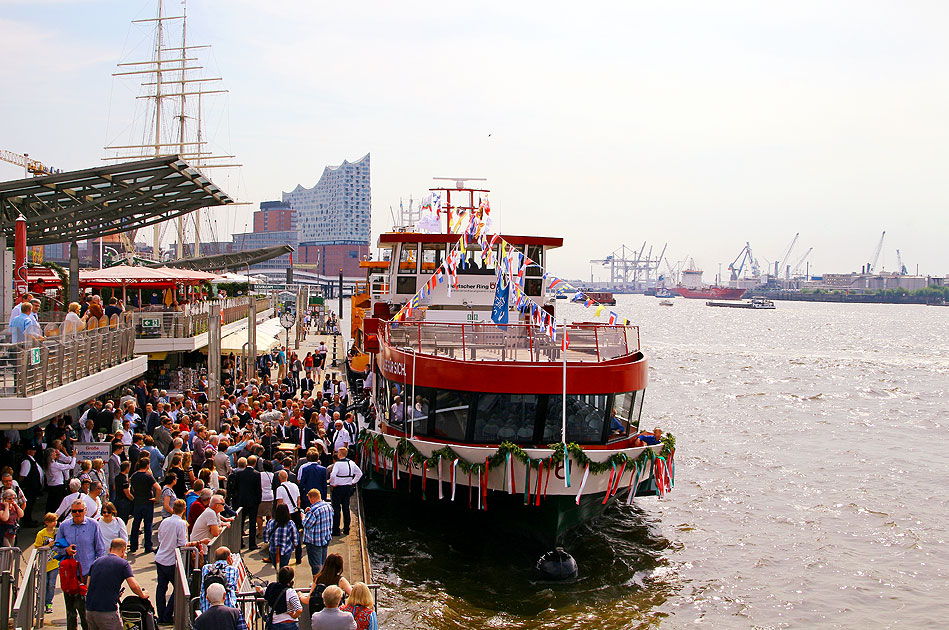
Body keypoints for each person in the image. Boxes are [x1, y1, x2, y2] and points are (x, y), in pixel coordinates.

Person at [54, 499, 108, 630]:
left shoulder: (93, 525)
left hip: (86, 573)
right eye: (74, 511)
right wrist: (65, 550)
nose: (77, 513)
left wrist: (96, 570)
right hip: (69, 573)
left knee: (85, 609)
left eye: (80, 511)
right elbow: (56, 547)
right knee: (70, 610)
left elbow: (100, 549)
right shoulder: (64, 526)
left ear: (85, 511)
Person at [155, 499, 208, 624]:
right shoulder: (181, 524)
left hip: (160, 558)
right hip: (171, 560)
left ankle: (162, 615)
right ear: (184, 509)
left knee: (161, 588)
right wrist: (199, 542)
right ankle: (167, 615)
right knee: (180, 588)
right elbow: (183, 544)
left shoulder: (165, 521)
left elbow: (160, 538)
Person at [85, 538, 149, 630]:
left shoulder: (96, 562)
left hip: (90, 610)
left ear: (110, 549)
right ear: (123, 550)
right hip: (107, 611)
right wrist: (143, 595)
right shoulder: (123, 564)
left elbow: (88, 585)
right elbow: (134, 586)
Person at [129, 457, 161, 554]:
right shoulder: (148, 476)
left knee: (136, 523)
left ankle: (133, 545)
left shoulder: (134, 476)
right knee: (148, 524)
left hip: (138, 501)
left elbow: (132, 488)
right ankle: (148, 546)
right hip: (148, 502)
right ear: (147, 465)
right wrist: (156, 498)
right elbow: (158, 488)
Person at [328, 447, 362, 536]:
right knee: (346, 507)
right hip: (347, 487)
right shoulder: (351, 463)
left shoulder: (337, 464)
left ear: (339, 454)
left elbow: (333, 475)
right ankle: (346, 529)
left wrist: (332, 483)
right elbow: (359, 473)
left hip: (338, 488)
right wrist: (352, 482)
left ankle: (336, 529)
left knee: (336, 508)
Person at [301, 489, 333, 575]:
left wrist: (303, 516)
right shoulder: (328, 507)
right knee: (323, 563)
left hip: (314, 542)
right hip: (325, 538)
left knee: (316, 565)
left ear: (312, 498)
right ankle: (323, 578)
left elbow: (306, 524)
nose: (309, 501)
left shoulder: (314, 511)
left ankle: (317, 580)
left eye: (310, 499)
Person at [198, 546, 241, 611]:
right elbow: (233, 587)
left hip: (207, 610)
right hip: (228, 610)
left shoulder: (206, 568)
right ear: (229, 558)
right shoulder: (233, 569)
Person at [35, 512, 60, 614]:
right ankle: (40, 603)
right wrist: (48, 546)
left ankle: (48, 603)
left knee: (51, 585)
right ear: (46, 522)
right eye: (52, 521)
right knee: (43, 584)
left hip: (54, 563)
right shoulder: (41, 534)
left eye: (55, 521)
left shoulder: (58, 532)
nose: (55, 523)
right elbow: (37, 548)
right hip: (44, 563)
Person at [264, 566, 303, 630]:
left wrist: (259, 589)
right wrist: (294, 616)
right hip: (290, 624)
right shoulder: (290, 592)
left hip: (275, 623)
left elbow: (263, 591)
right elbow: (299, 610)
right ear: (291, 579)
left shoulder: (272, 587)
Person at [263, 503, 298, 569]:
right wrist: (294, 545)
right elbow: (295, 537)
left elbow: (266, 534)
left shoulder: (271, 522)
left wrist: (266, 541)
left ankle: (278, 573)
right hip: (286, 549)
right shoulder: (290, 523)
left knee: (276, 567)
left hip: (273, 549)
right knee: (284, 567)